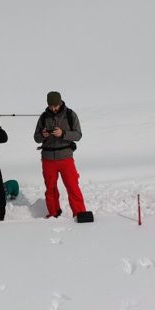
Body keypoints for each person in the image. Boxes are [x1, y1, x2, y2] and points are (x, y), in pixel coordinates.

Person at [33, 91, 91, 221]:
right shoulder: (43, 117)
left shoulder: (70, 115)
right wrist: (43, 135)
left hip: (66, 157)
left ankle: (80, 213)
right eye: (51, 106)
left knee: (72, 186)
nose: (53, 108)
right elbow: (36, 138)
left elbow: (78, 135)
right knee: (50, 188)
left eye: (56, 105)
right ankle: (53, 213)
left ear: (60, 102)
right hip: (47, 158)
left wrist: (63, 133)